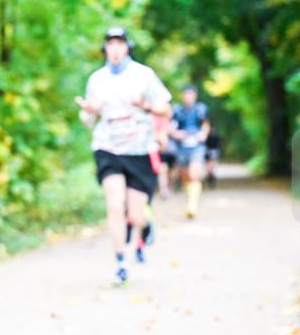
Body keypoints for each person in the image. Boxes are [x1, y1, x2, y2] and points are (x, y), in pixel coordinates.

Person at [76, 27, 171, 285]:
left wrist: (145, 106)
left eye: (120, 44)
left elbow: (166, 110)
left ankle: (145, 224)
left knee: (136, 215)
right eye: (111, 44)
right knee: (115, 204)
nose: (115, 49)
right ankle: (120, 263)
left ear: (127, 47)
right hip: (108, 148)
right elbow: (88, 119)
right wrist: (90, 111)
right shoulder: (97, 80)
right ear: (105, 48)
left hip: (139, 150)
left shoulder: (144, 75)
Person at [169, 84, 211, 218]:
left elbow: (205, 124)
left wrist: (203, 134)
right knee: (185, 175)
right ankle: (190, 200)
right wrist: (176, 134)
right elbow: (171, 127)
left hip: (197, 145)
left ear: (195, 96)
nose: (188, 97)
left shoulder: (201, 109)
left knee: (194, 173)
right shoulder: (177, 110)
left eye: (190, 94)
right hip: (182, 146)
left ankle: (192, 205)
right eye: (186, 94)